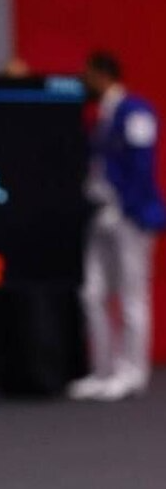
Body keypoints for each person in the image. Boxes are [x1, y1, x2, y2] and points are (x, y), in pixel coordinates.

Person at [69, 51, 164, 401]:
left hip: (130, 216)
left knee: (131, 294)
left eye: (87, 75)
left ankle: (132, 371)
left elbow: (142, 166)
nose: (84, 82)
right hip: (100, 213)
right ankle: (103, 368)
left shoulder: (136, 112)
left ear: (102, 75)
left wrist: (125, 207)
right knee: (91, 292)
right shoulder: (101, 116)